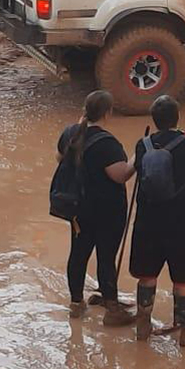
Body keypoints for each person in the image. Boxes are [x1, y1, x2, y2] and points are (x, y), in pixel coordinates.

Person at [130, 95, 185, 346]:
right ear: (177, 118)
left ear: (154, 120)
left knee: (147, 275)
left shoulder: (142, 146)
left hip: (147, 222)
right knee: (184, 280)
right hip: (182, 224)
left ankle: (143, 324)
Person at [57, 90, 136, 327]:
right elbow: (121, 175)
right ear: (108, 112)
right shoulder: (107, 143)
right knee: (105, 257)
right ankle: (112, 308)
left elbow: (60, 159)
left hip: (78, 209)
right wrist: (136, 157)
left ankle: (76, 303)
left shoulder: (70, 133)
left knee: (78, 254)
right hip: (107, 211)